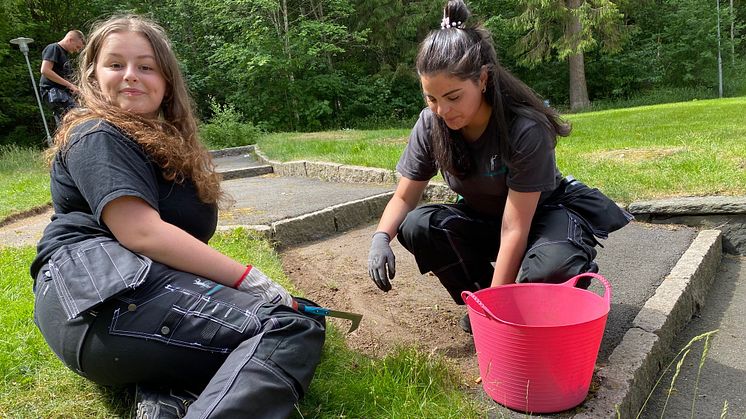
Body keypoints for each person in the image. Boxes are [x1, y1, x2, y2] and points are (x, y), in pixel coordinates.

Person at [30, 15, 325, 418]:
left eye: (146, 67)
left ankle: (165, 400)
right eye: (116, 65)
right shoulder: (96, 132)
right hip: (96, 299)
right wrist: (249, 279)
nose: (131, 76)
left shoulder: (155, 141)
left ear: (166, 80)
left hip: (128, 297)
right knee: (288, 327)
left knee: (298, 311)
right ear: (94, 77)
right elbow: (141, 232)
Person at [367, 0, 632, 334]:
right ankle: (480, 300)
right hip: (488, 218)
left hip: (544, 216)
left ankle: (512, 297)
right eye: (431, 98)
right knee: (418, 225)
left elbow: (514, 227)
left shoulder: (524, 128)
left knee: (548, 271)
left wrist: (496, 306)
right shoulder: (431, 123)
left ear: (482, 79)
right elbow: (405, 199)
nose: (442, 111)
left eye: (453, 97)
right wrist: (380, 238)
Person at [39, 30, 86, 128]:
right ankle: (65, 141)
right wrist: (69, 85)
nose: (77, 51)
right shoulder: (54, 48)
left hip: (62, 92)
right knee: (72, 117)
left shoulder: (65, 55)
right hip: (52, 91)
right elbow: (45, 70)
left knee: (74, 119)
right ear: (70, 40)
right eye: (77, 47)